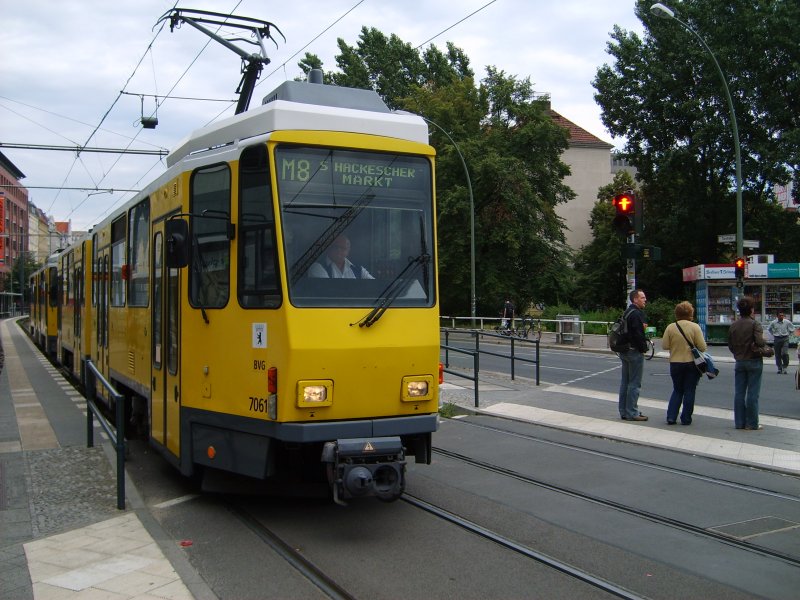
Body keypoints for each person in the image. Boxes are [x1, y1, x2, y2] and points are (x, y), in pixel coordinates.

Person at [661, 301, 707, 425]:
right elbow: (702, 347)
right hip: (692, 363)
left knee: (677, 390)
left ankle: (671, 417)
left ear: (676, 313)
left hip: (675, 362)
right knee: (689, 390)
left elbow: (665, 345)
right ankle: (686, 418)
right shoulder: (695, 327)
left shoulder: (670, 327)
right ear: (691, 313)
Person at [727, 295, 768, 430]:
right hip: (754, 360)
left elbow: (730, 345)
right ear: (751, 310)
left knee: (739, 392)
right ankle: (752, 423)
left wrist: (737, 354)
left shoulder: (733, 325)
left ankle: (739, 422)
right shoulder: (754, 324)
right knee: (752, 393)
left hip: (739, 361)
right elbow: (760, 342)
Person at [618, 289, 649, 422]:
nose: (645, 300)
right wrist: (643, 349)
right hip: (634, 351)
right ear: (635, 299)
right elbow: (638, 335)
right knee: (635, 383)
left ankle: (624, 411)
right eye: (642, 298)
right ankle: (632, 412)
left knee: (625, 382)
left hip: (624, 350)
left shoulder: (627, 312)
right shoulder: (636, 314)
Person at [308, 234, 374, 279]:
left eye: (343, 248)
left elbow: (375, 286)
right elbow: (327, 290)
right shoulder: (317, 267)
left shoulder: (360, 270)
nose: (339, 250)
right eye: (336, 247)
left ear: (348, 251)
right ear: (329, 248)